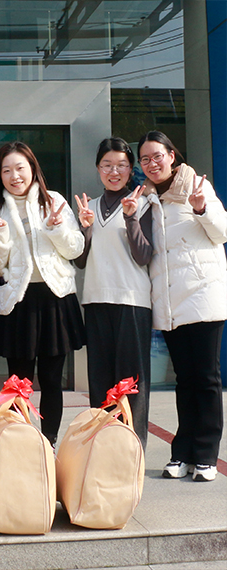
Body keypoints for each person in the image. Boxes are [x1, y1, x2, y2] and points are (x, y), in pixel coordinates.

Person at [0, 141, 85, 445]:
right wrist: (0, 235)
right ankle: (21, 442)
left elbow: (75, 249)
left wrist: (57, 228)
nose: (15, 176)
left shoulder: (54, 202)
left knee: (52, 379)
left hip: (55, 299)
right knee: (18, 382)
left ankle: (49, 442)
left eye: (20, 168)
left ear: (32, 168)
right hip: (18, 302)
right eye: (6, 170)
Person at [138, 130, 227, 482]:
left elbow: (222, 232)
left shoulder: (196, 187)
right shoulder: (147, 198)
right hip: (170, 302)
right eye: (145, 159)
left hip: (202, 297)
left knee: (206, 378)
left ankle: (205, 455)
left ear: (172, 155)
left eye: (157, 156)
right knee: (185, 380)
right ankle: (182, 452)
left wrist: (201, 208)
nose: (152, 163)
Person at [74, 137, 152, 448]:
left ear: (130, 169)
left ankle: (132, 449)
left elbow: (143, 256)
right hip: (96, 300)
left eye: (121, 165)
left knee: (131, 382)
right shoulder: (89, 207)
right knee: (100, 380)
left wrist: (131, 218)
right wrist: (85, 228)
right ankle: (103, 448)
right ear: (98, 169)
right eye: (107, 165)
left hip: (132, 302)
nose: (114, 171)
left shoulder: (144, 204)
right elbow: (80, 261)